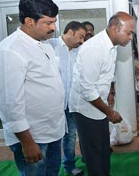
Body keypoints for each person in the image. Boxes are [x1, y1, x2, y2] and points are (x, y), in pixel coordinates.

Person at [0, 0, 65, 176]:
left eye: (54, 21)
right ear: (30, 21)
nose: (53, 27)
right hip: (33, 136)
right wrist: (27, 142)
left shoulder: (43, 44)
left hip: (52, 131)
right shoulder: (10, 51)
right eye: (48, 23)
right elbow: (9, 104)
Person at [69, 11, 136, 176]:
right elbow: (87, 89)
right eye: (128, 33)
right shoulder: (94, 48)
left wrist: (109, 94)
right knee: (94, 153)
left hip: (98, 106)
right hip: (85, 108)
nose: (130, 38)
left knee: (103, 149)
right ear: (114, 28)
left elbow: (104, 76)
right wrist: (110, 112)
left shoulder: (110, 46)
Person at [46, 21, 87, 176]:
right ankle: (49, 168)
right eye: (81, 37)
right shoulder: (50, 46)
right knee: (52, 138)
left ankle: (69, 166)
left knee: (70, 137)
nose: (82, 41)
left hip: (71, 103)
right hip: (53, 104)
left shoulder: (80, 51)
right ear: (70, 32)